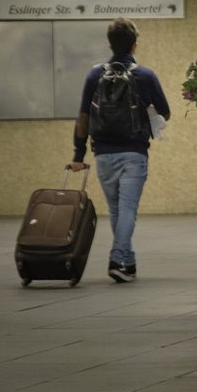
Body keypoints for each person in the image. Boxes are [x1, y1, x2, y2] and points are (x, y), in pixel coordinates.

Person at [69, 18, 170, 283]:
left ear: (110, 44)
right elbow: (165, 112)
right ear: (134, 45)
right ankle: (117, 258)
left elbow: (82, 117)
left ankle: (129, 261)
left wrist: (78, 156)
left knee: (116, 210)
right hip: (134, 153)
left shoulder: (94, 75)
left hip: (103, 154)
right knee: (127, 209)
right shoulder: (145, 75)